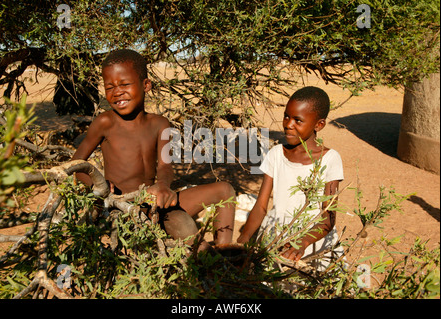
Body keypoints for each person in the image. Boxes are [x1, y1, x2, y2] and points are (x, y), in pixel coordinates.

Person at [72, 49, 235, 246]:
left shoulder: (160, 124)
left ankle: (226, 251)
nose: (117, 92)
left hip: (154, 201)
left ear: (146, 85)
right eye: (109, 87)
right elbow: (76, 164)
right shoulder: (105, 122)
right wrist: (98, 185)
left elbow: (165, 166)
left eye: (124, 84)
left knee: (224, 190)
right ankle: (203, 256)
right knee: (185, 227)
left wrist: (164, 186)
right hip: (123, 206)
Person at [237, 86, 344, 270]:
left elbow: (329, 216)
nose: (288, 124)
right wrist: (243, 240)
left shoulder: (330, 159)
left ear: (319, 125)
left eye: (298, 120)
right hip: (276, 235)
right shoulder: (276, 154)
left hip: (311, 240)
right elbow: (261, 206)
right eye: (287, 116)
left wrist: (301, 243)